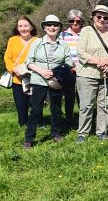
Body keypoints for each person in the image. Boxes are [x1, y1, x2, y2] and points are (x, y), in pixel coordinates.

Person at [23, 15, 73, 149]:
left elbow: (69, 61)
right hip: (39, 79)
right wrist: (41, 71)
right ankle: (29, 138)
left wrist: (56, 71)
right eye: (49, 25)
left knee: (56, 108)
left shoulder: (63, 44)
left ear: (59, 28)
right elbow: (29, 62)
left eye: (55, 25)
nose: (52, 27)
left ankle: (55, 133)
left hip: (56, 80)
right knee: (36, 110)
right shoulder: (36, 43)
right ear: (44, 27)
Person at [75, 5, 108, 142]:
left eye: (105, 17)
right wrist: (98, 62)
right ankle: (83, 133)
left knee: (105, 104)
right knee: (86, 105)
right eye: (99, 16)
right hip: (87, 74)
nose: (102, 19)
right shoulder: (86, 31)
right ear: (93, 17)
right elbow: (81, 51)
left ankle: (102, 131)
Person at [4, 16, 39, 127]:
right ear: (17, 28)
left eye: (26, 26)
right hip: (17, 79)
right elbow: (7, 58)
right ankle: (23, 125)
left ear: (31, 27)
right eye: (20, 26)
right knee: (21, 105)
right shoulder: (12, 40)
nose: (23, 29)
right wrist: (13, 69)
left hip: (34, 78)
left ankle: (38, 123)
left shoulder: (38, 41)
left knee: (36, 104)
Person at [60, 9, 84, 128]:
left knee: (82, 96)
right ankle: (69, 119)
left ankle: (82, 119)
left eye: (77, 21)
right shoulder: (62, 35)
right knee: (69, 96)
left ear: (81, 21)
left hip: (83, 69)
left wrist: (79, 66)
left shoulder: (85, 34)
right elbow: (61, 53)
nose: (75, 23)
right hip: (69, 70)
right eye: (72, 21)